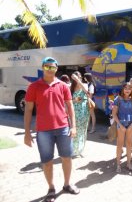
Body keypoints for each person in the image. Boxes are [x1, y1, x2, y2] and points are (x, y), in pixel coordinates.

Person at [24, 57, 79, 202]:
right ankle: (51, 188)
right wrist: (27, 133)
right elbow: (28, 110)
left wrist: (73, 126)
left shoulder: (63, 86)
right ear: (43, 68)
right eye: (47, 67)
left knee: (66, 158)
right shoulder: (34, 87)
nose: (50, 69)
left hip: (63, 128)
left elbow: (70, 107)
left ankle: (67, 185)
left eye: (53, 67)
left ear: (56, 68)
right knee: (47, 161)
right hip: (43, 131)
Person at [112, 82, 132, 173]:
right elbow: (114, 114)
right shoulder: (118, 99)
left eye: (129, 88)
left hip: (131, 125)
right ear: (123, 89)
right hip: (121, 125)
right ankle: (118, 164)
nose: (127, 90)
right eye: (126, 88)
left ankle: (128, 163)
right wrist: (120, 125)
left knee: (129, 144)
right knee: (119, 145)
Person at [70, 71, 90, 157]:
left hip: (84, 111)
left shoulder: (84, 85)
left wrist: (78, 80)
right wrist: (75, 100)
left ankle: (81, 150)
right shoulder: (71, 87)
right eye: (77, 77)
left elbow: (87, 92)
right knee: (75, 130)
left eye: (80, 76)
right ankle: (73, 150)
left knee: (83, 130)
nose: (79, 78)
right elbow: (68, 100)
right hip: (75, 112)